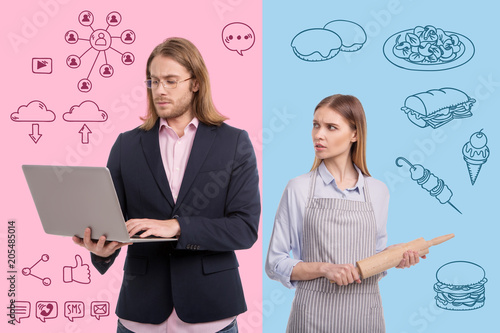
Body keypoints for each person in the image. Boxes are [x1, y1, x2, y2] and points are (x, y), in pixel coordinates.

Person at [73, 37, 260, 333]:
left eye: (171, 81)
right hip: (140, 316)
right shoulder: (126, 145)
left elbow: (245, 229)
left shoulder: (234, 142)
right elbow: (113, 222)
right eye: (154, 81)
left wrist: (177, 227)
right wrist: (102, 249)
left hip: (211, 314)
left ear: (195, 83)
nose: (160, 90)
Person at [265, 94, 423, 332]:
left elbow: (375, 260)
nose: (319, 134)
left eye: (331, 127)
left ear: (354, 134)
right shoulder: (299, 187)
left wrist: (393, 258)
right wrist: (325, 268)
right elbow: (275, 263)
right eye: (316, 125)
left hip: (365, 317)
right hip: (312, 318)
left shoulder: (378, 191)